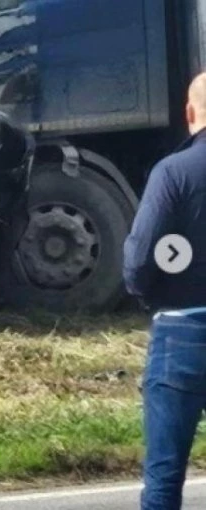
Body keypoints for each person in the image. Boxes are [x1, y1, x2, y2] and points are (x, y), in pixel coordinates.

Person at [123, 72, 206, 509]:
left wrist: (147, 292)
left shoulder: (172, 172)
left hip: (181, 333)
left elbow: (139, 258)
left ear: (190, 114)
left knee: (164, 478)